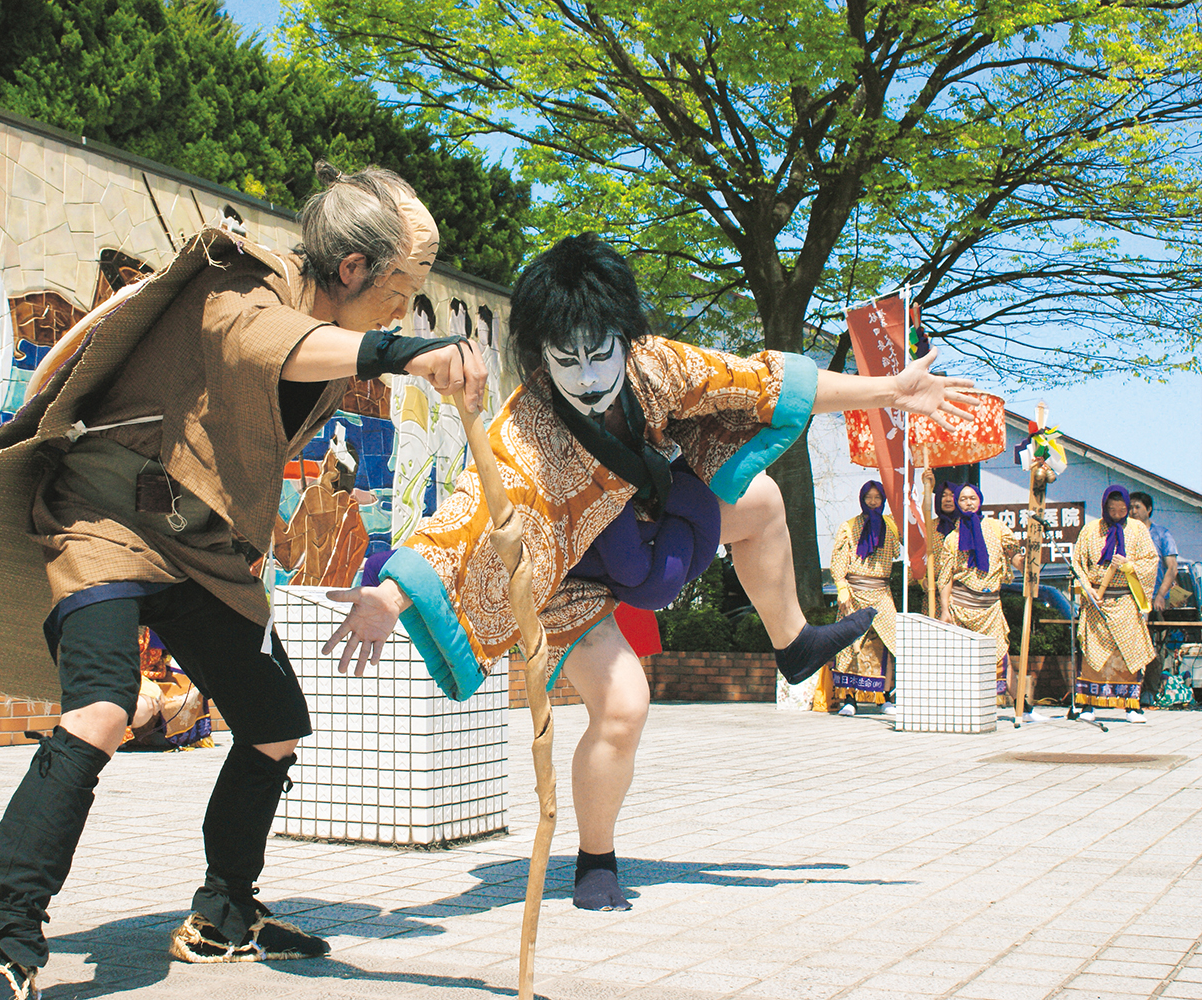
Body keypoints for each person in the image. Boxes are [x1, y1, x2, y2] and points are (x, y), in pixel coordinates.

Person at [0, 162, 488, 998]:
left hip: (203, 552)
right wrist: (408, 354)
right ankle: (9, 941)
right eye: (401, 288)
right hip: (108, 520)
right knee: (101, 710)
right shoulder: (241, 288)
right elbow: (270, 345)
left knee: (275, 722)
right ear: (351, 269)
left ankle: (222, 913)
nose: (403, 309)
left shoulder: (322, 323)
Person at [323, 234, 976, 912]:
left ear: (623, 338)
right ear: (542, 355)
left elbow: (764, 380)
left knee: (761, 501)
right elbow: (465, 516)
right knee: (625, 707)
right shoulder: (526, 434)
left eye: (599, 352)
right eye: (565, 359)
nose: (586, 374)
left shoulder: (657, 367)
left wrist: (890, 390)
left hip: (648, 525)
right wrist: (391, 595)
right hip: (570, 575)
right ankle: (595, 859)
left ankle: (793, 642)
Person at [934, 484, 1036, 719]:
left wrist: (1024, 562)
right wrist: (945, 609)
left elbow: (1013, 554)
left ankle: (1022, 707)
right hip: (961, 606)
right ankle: (959, 707)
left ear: (979, 500)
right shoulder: (952, 538)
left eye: (972, 498)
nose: (968, 503)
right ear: (958, 504)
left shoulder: (997, 528)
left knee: (1002, 656)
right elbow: (945, 577)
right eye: (963, 499)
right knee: (959, 661)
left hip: (989, 605)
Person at [1073, 484, 1159, 724]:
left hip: (1125, 600)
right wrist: (1087, 588)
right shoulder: (1091, 530)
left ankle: (1131, 705)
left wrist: (1129, 565)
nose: (1118, 513)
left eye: (1122, 509)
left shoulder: (1138, 529)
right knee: (1093, 655)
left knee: (1126, 654)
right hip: (1097, 602)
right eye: (1112, 508)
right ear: (1104, 507)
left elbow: (1151, 561)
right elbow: (1078, 563)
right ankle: (1088, 704)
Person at [829, 482, 901, 716]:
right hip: (855, 593)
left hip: (881, 593)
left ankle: (884, 697)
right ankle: (849, 699)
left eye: (877, 497)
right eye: (868, 497)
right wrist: (842, 587)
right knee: (852, 644)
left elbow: (906, 544)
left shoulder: (891, 526)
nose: (873, 501)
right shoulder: (849, 527)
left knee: (889, 643)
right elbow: (839, 561)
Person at [1130, 491, 1179, 618]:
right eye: (1130, 507)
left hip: (1155, 598)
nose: (1133, 511)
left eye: (1137, 507)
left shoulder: (1162, 534)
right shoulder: (1123, 534)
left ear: (1149, 509)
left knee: (1157, 635)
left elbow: (1172, 568)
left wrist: (1161, 595)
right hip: (1130, 598)